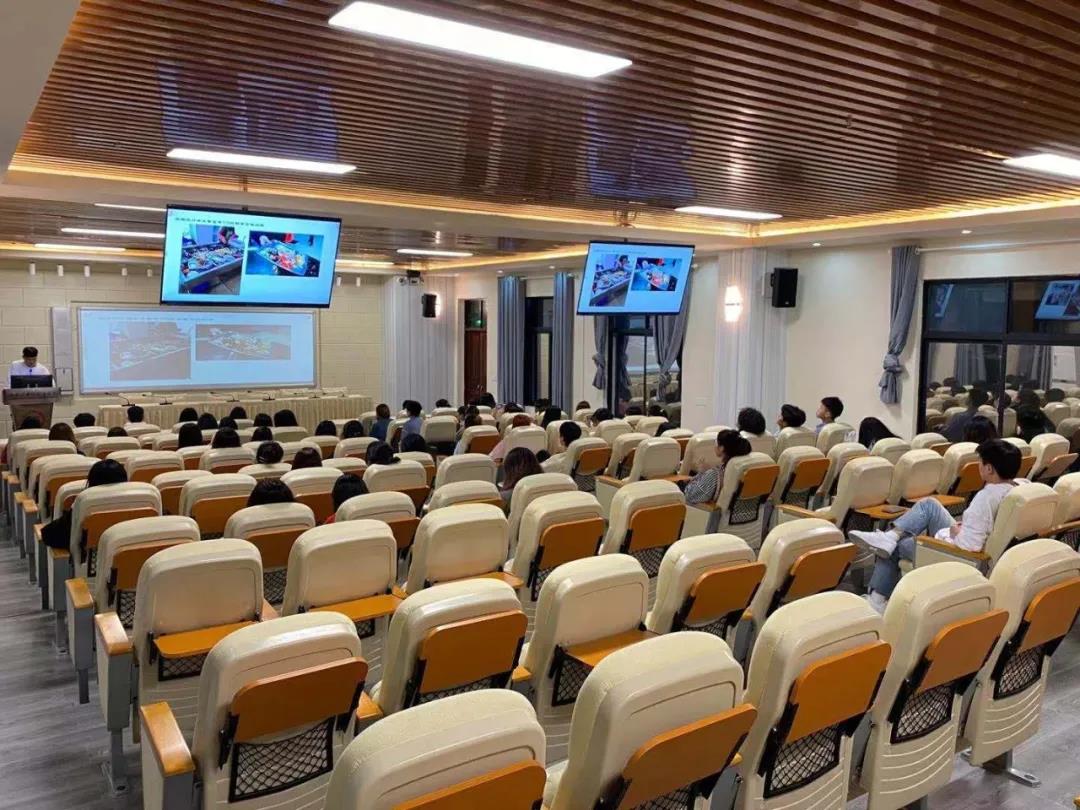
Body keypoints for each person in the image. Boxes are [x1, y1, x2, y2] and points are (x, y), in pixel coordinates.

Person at [853, 439, 1023, 612]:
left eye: (980, 462)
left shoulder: (986, 497)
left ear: (989, 469)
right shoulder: (1020, 487)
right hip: (978, 541)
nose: (978, 466)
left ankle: (877, 600)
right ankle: (891, 535)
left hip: (965, 556)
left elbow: (970, 545)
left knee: (897, 546)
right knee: (929, 505)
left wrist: (956, 532)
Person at [41, 459, 127, 549]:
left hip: (91, 557)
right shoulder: (136, 498)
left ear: (91, 483)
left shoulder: (85, 504)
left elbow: (50, 535)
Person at [684, 430, 752, 505]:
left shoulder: (713, 475)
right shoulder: (742, 469)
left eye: (716, 442)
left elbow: (689, 496)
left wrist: (702, 474)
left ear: (721, 448)